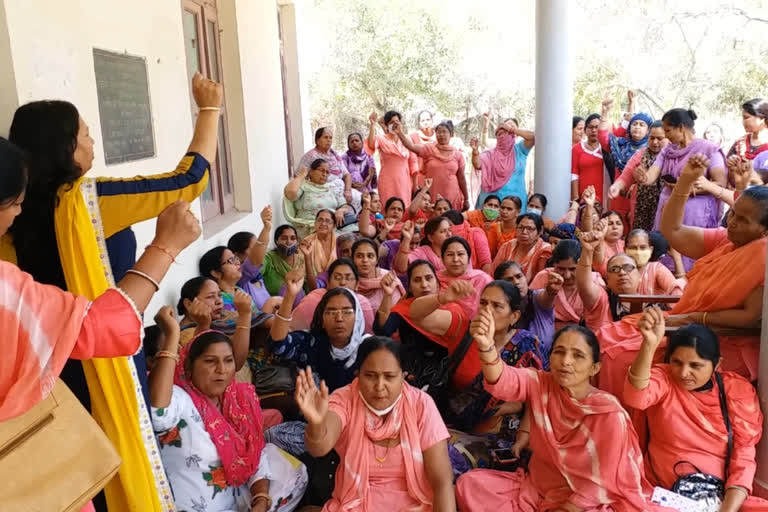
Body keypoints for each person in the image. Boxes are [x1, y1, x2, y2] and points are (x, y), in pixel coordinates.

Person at [6, 73, 222, 512]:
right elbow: (190, 180)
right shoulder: (89, 202)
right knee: (117, 457)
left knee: (76, 472)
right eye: (84, 134)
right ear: (66, 149)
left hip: (45, 375)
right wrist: (210, 109)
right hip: (107, 349)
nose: (92, 141)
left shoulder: (15, 221)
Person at [596, 155, 767, 398]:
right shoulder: (726, 240)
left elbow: (749, 317)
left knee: (619, 356)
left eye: (743, 220)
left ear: (764, 229)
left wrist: (694, 318)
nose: (732, 223)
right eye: (733, 214)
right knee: (606, 336)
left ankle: (625, 425)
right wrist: (685, 181)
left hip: (720, 341)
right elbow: (672, 231)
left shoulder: (762, 254)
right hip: (683, 320)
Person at [456, 323, 664, 511]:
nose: (566, 361)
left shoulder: (609, 413)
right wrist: (486, 346)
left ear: (595, 368)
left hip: (586, 501)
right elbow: (502, 379)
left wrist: (568, 508)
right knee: (470, 484)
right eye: (559, 352)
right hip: (539, 488)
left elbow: (604, 480)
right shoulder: (539, 383)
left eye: (578, 355)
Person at [149, 323, 307, 512]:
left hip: (235, 498)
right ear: (189, 367)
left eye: (228, 360)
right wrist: (173, 335)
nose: (221, 369)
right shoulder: (181, 398)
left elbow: (255, 453)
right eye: (210, 361)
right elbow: (157, 415)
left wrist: (261, 499)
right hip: (196, 507)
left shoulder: (237, 400)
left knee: (292, 469)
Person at [626, 309, 768, 511]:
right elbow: (636, 396)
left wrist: (727, 508)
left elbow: (743, 458)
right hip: (660, 493)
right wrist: (649, 344)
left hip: (719, 496)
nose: (684, 373)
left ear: (717, 364)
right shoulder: (665, 378)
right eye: (677, 362)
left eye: (695, 365)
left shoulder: (735, 390)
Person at [295, 338, 456, 511]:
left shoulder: (421, 404)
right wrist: (317, 422)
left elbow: (442, 481)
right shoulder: (345, 399)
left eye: (389, 377)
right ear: (358, 374)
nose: (379, 386)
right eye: (370, 376)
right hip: (355, 504)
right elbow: (320, 447)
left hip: (415, 505)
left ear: (403, 376)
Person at [635, 108, 727, 271]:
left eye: (667, 130)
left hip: (695, 213)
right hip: (667, 209)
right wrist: (643, 177)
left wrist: (686, 186)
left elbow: (720, 183)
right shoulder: (667, 150)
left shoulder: (708, 149)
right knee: (666, 255)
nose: (666, 135)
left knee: (692, 259)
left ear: (681, 128)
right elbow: (651, 177)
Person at [269, 270, 368, 391]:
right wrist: (290, 296)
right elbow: (279, 344)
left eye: (347, 312)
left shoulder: (368, 348)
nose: (339, 318)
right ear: (322, 317)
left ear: (357, 317)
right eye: (331, 312)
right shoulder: (311, 342)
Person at [376, 261, 473, 385]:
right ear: (410, 287)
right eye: (417, 280)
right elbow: (383, 331)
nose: (424, 285)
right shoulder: (405, 307)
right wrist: (387, 295)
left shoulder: (452, 309)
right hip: (409, 371)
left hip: (443, 375)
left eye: (429, 278)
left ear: (437, 284)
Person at [198, 246, 275, 336]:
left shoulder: (239, 290)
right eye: (231, 261)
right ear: (216, 273)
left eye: (236, 258)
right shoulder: (220, 300)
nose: (238, 263)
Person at [394, 119, 469, 211]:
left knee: (451, 220)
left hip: (452, 194)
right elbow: (411, 146)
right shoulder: (428, 150)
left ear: (451, 135)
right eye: (439, 132)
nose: (441, 135)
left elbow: (461, 178)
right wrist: (399, 132)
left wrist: (466, 198)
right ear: (435, 135)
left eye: (444, 132)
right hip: (433, 192)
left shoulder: (458, 155)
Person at [530, 239, 604, 332]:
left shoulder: (593, 282)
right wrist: (549, 293)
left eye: (573, 269)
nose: (567, 275)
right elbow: (532, 311)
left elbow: (599, 322)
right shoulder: (543, 278)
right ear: (554, 264)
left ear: (582, 265)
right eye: (561, 269)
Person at [598, 92, 652, 219]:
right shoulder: (620, 145)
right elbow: (603, 137)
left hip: (640, 200)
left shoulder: (651, 151)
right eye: (634, 124)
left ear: (648, 130)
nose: (637, 127)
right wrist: (605, 113)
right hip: (618, 197)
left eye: (641, 124)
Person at [576, 229, 642, 331]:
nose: (622, 273)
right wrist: (587, 251)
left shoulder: (651, 304)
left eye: (628, 267)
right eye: (614, 269)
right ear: (608, 279)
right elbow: (584, 285)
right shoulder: (602, 301)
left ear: (639, 276)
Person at [608, 121, 667, 231]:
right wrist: (616, 186)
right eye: (651, 138)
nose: (655, 142)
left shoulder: (674, 156)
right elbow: (627, 174)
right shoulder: (641, 153)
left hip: (666, 207)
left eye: (660, 139)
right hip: (641, 208)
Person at [291, 258, 375, 333]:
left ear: (357, 284)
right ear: (328, 282)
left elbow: (369, 336)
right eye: (337, 278)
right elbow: (293, 330)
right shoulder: (314, 300)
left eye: (348, 278)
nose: (343, 283)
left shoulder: (362, 304)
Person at [494, 261, 558, 352]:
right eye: (509, 280)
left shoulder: (537, 298)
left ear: (525, 277)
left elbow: (547, 297)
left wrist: (551, 291)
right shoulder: (498, 309)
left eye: (519, 276)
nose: (516, 282)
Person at [471, 119, 535, 209]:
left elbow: (533, 137)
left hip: (515, 204)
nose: (503, 136)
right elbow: (478, 164)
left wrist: (512, 129)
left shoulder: (520, 150)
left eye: (507, 132)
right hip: (491, 205)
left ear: (513, 134)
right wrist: (475, 152)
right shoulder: (490, 154)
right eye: (500, 134)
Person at [283, 159, 354, 239]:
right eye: (322, 170)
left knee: (350, 238)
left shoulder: (332, 187)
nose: (325, 174)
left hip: (331, 227)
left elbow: (345, 206)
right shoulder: (303, 186)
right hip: (308, 229)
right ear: (311, 171)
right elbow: (290, 194)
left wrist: (341, 211)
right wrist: (302, 175)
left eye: (327, 172)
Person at [366, 110, 417, 207]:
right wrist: (372, 125)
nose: (395, 124)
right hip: (387, 181)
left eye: (397, 121)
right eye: (391, 122)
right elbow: (371, 144)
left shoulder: (407, 139)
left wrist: (415, 184)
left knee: (404, 208)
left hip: (404, 181)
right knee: (388, 208)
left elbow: (413, 163)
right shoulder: (381, 138)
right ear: (386, 125)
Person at [226, 206, 274, 310]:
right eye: (254, 248)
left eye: (257, 247)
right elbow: (254, 262)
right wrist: (266, 228)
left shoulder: (257, 275)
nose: (259, 251)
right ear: (237, 255)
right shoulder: (241, 277)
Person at [298, 127, 355, 206]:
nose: (329, 140)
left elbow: (347, 175)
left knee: (362, 198)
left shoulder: (335, 155)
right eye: (325, 137)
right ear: (317, 140)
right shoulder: (310, 156)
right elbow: (299, 177)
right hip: (322, 193)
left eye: (330, 138)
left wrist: (348, 190)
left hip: (342, 191)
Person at [437, 236, 492, 317]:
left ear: (469, 258)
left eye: (460, 254)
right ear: (442, 259)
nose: (455, 259)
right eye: (450, 254)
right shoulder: (435, 279)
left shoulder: (482, 279)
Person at [491, 213, 552, 281]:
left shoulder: (544, 251)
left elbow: (541, 281)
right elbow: (494, 273)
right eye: (521, 227)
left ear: (540, 231)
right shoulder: (507, 246)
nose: (524, 232)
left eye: (530, 228)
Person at [624, 228, 683, 295]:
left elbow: (676, 292)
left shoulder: (656, 269)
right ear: (625, 249)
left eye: (643, 247)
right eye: (633, 248)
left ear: (651, 250)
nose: (638, 252)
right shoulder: (620, 270)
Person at [352, 238, 404, 311]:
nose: (365, 260)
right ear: (352, 259)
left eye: (370, 256)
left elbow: (396, 312)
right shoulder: (349, 280)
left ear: (377, 260)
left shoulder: (389, 279)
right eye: (359, 256)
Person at [262, 224, 310, 299]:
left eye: (293, 238)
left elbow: (312, 288)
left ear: (297, 241)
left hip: (299, 304)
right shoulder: (269, 259)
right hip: (274, 305)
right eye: (284, 238)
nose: (289, 242)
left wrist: (307, 257)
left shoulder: (302, 260)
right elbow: (255, 269)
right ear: (276, 241)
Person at [571, 113, 609, 206]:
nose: (594, 130)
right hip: (583, 198)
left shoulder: (607, 148)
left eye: (597, 127)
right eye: (590, 127)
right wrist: (576, 198)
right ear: (585, 129)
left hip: (604, 199)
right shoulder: (577, 148)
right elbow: (574, 174)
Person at [442, 209, 492, 273]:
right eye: (444, 226)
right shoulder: (443, 237)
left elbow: (485, 262)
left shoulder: (475, 233)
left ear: (458, 225)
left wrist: (484, 280)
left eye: (449, 225)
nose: (446, 229)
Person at [303, 209, 339, 276]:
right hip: (314, 281)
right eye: (320, 220)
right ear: (315, 223)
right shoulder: (307, 242)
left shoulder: (340, 241)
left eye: (327, 221)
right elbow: (303, 266)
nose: (323, 224)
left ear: (334, 225)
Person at [410, 110, 437, 182]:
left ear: (432, 121)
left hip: (436, 176)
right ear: (419, 123)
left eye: (428, 120)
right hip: (419, 177)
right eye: (423, 120)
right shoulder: (413, 137)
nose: (425, 122)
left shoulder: (438, 137)